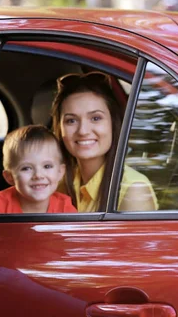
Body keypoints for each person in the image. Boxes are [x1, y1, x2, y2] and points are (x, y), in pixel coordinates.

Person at [52, 71, 158, 212]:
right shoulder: (58, 182)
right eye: (71, 120)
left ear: (113, 124)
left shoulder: (132, 191)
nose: (83, 131)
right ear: (59, 128)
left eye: (95, 118)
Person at [0, 125, 76, 214]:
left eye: (47, 166)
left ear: (60, 172)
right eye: (26, 168)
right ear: (9, 177)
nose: (38, 175)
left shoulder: (65, 208)